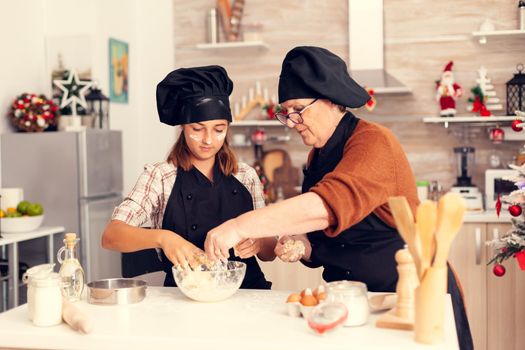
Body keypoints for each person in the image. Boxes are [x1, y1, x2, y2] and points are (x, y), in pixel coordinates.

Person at [204, 47, 473, 349]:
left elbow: (328, 205)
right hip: (352, 299)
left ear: (331, 101)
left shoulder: (373, 142)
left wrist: (239, 226)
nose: (291, 122)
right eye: (285, 113)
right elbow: (328, 232)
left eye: (298, 110)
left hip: (407, 295)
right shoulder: (316, 156)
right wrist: (303, 246)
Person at [102, 65, 275, 289]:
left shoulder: (246, 176)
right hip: (185, 294)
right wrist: (163, 238)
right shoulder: (161, 176)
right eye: (197, 129)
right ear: (183, 127)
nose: (208, 140)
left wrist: (259, 243)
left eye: (219, 129)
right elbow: (111, 235)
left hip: (247, 292)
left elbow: (270, 253)